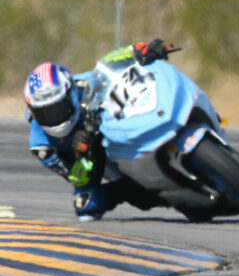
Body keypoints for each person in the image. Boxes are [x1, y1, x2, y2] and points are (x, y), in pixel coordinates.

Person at [24, 39, 175, 221]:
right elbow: (76, 179)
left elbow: (109, 65)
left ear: (70, 93)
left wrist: (140, 51)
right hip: (90, 160)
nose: (54, 117)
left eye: (58, 108)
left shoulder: (84, 84)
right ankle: (138, 191)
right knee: (85, 206)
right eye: (45, 113)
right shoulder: (41, 146)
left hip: (113, 126)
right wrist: (83, 155)